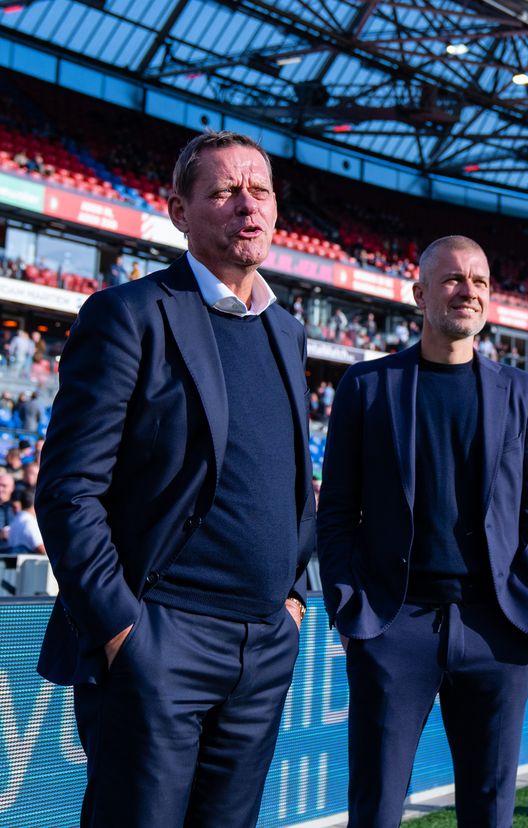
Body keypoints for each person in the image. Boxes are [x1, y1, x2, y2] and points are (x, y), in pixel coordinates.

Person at [36, 130, 316, 828]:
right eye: (223, 192)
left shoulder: (287, 330)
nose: (246, 207)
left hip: (262, 644)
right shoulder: (129, 316)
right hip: (161, 643)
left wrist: (292, 597)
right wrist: (124, 633)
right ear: (178, 211)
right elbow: (68, 489)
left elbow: (290, 479)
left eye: (260, 191)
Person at [317, 235, 528, 828]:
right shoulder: (367, 386)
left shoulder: (524, 395)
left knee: (489, 813)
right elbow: (336, 510)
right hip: (393, 626)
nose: (468, 291)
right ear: (419, 293)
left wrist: (527, 611)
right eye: (453, 279)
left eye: (479, 281)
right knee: (374, 810)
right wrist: (352, 615)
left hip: (496, 630)